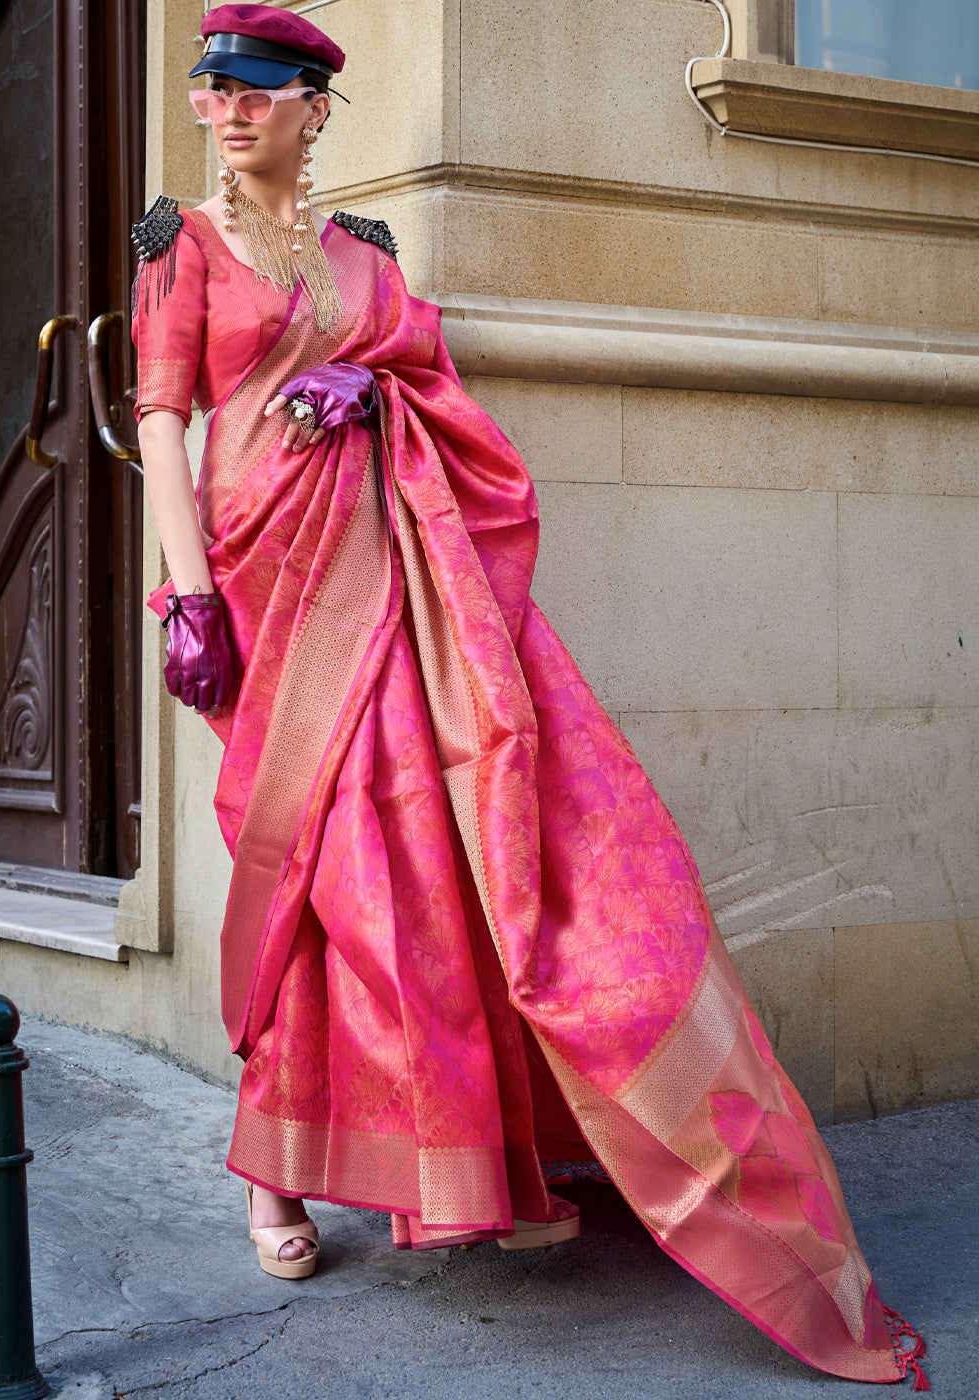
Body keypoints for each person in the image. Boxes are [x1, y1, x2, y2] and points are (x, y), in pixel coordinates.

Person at [131, 4, 928, 1387]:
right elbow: (162, 423)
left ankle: (465, 1154)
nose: (227, 111)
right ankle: (272, 1174)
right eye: (213, 92)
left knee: (423, 872)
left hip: (396, 584)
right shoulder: (179, 251)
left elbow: (433, 393)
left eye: (258, 90)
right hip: (269, 595)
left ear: (318, 107)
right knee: (312, 880)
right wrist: (186, 596)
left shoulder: (365, 258)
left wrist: (364, 396)